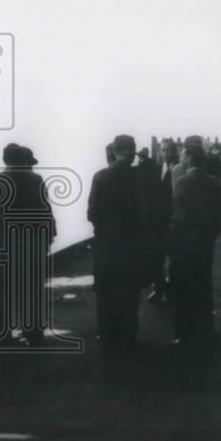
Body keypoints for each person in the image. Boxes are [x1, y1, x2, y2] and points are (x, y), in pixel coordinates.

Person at [0, 143, 56, 344]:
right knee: (31, 289)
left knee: (3, 292)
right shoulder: (36, 179)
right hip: (33, 243)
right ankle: (34, 333)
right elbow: (45, 210)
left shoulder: (1, 179)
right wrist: (48, 238)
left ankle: (4, 335)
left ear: (6, 160)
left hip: (6, 244)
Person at [87, 134, 149, 352]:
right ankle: (128, 337)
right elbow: (148, 212)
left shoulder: (100, 177)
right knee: (130, 292)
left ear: (113, 150)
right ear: (132, 151)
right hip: (132, 245)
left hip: (106, 245)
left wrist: (102, 230)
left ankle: (107, 337)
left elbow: (92, 213)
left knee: (106, 293)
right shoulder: (141, 177)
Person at [168, 142, 221, 346]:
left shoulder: (181, 182)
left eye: (183, 154)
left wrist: (172, 240)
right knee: (203, 286)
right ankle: (206, 331)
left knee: (183, 289)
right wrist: (211, 234)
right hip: (205, 243)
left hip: (184, 244)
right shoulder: (213, 182)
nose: (180, 158)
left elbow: (179, 217)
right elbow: (220, 214)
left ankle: (184, 334)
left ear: (190, 157)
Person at [146, 138, 179, 302]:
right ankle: (159, 289)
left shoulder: (181, 170)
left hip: (175, 221)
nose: (166, 153)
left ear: (175, 151)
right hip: (157, 223)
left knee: (175, 259)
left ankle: (174, 291)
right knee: (156, 258)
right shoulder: (154, 170)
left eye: (169, 150)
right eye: (163, 150)